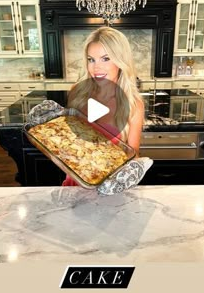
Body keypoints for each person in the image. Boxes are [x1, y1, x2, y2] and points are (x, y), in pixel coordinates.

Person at [62, 26, 146, 188]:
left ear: (121, 61)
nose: (96, 67)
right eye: (91, 59)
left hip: (110, 187)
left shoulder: (134, 104)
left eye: (105, 59)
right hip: (76, 184)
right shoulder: (77, 93)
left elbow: (132, 155)